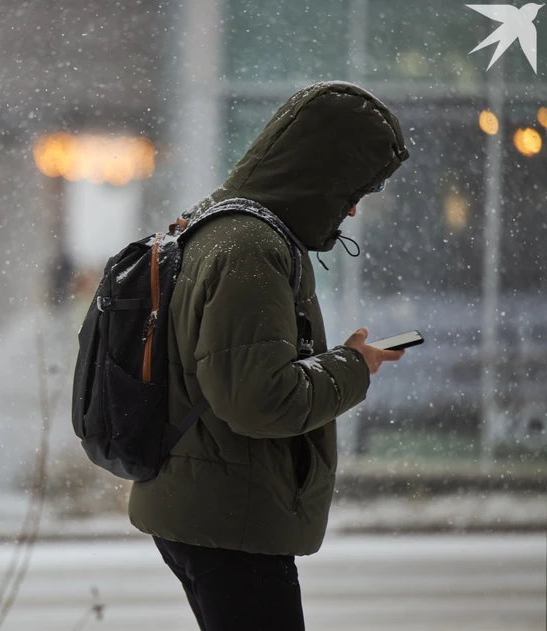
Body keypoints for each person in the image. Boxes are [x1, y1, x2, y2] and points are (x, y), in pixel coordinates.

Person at [127, 81, 410, 630]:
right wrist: (354, 368)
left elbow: (231, 374)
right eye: (353, 189)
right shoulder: (251, 247)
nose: (352, 208)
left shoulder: (218, 225)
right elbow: (260, 402)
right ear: (320, 176)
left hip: (208, 503)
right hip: (232, 516)